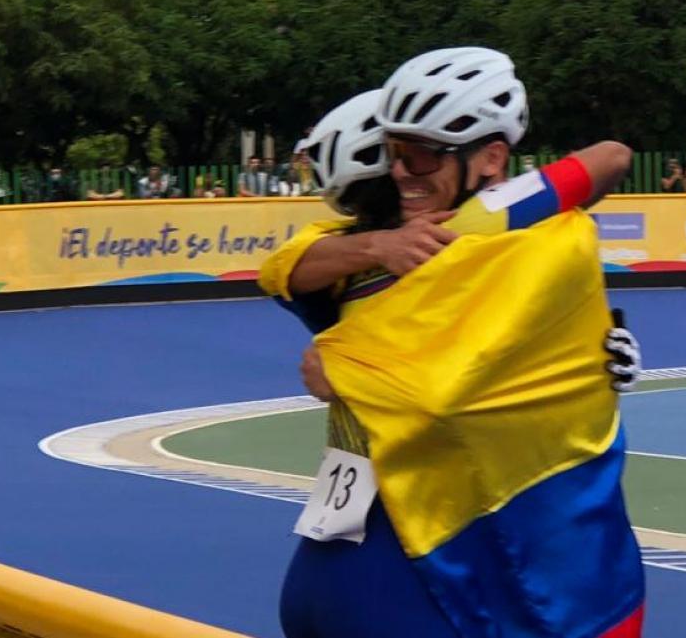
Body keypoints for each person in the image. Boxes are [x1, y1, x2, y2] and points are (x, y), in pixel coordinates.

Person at [266, 49, 644, 638]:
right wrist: (379, 249)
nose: (401, 177)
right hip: (426, 553)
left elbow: (611, 159)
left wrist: (596, 346)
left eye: (416, 156)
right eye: (391, 159)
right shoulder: (363, 256)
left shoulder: (509, 232)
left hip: (357, 547)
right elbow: (287, 269)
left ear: (490, 157)